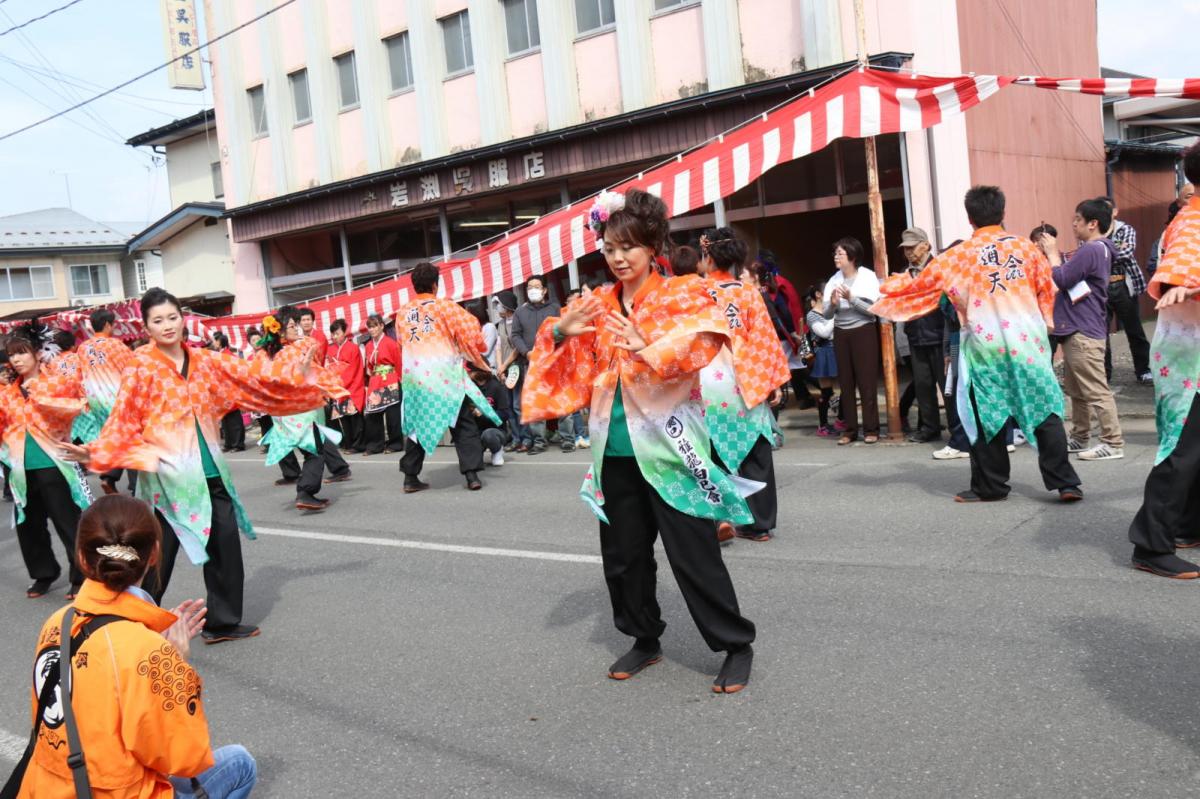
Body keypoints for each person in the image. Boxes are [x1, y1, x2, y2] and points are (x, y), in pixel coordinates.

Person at [523, 188, 756, 694]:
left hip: (672, 448)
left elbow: (706, 342)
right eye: (608, 248)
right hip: (616, 449)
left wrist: (651, 346)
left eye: (627, 246)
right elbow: (571, 372)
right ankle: (644, 635)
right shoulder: (595, 305)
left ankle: (736, 645)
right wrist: (560, 333)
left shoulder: (682, 293)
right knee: (624, 557)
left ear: (653, 246)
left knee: (693, 553)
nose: (618, 257)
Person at [60, 287, 330, 644]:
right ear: (147, 327)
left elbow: (255, 377)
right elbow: (124, 417)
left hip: (210, 469)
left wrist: (300, 358)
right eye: (158, 320)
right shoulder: (141, 365)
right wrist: (94, 450)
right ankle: (131, 624)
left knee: (224, 544)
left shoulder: (206, 360)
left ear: (182, 318)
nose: (168, 325)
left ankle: (222, 621)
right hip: (167, 476)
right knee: (154, 555)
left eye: (172, 317)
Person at [10, 494, 256, 798]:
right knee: (241, 763)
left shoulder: (58, 622)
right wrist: (173, 665)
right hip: (118, 792)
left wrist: (155, 646)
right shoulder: (147, 651)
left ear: (83, 558)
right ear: (154, 553)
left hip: (48, 787)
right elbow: (184, 757)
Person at [872, 185, 1083, 503]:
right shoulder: (1026, 249)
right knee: (1043, 410)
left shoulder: (956, 257)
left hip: (984, 348)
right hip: (1028, 344)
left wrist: (887, 284)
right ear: (1003, 213)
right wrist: (1046, 326)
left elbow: (917, 286)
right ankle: (1066, 483)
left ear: (970, 218)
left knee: (987, 413)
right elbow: (1047, 291)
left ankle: (991, 485)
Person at [1128, 142, 1200, 579]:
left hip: (1189, 348)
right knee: (1181, 450)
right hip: (1187, 356)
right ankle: (1151, 545)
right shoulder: (1193, 218)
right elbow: (1179, 266)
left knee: (1196, 447)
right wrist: (1182, 285)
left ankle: (1187, 527)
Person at [695, 228, 789, 542]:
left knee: (711, 452)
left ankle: (719, 517)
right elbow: (764, 340)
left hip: (706, 382)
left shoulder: (696, 293)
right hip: (745, 380)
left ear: (708, 256)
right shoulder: (747, 292)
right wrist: (773, 381)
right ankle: (760, 523)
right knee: (754, 451)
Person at [0, 324, 89, 600]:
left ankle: (81, 574)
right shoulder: (6, 393)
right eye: (12, 354)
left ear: (38, 353)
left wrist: (37, 395)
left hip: (53, 461)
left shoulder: (55, 381)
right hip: (20, 466)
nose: (16, 359)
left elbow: (75, 404)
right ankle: (43, 572)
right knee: (29, 525)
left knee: (67, 520)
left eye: (22, 352)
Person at [396, 262, 501, 492]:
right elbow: (472, 331)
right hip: (445, 376)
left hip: (417, 379)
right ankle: (471, 475)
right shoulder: (446, 308)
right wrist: (473, 348)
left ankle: (410, 478)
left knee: (419, 426)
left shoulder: (403, 313)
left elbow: (401, 344)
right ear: (435, 285)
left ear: (414, 285)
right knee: (463, 424)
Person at [1040, 199, 1125, 461]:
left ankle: (1112, 442)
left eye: (1078, 219)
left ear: (1093, 223)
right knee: (1077, 390)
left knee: (1095, 389)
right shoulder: (1100, 250)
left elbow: (1062, 278)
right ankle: (1079, 437)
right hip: (1082, 327)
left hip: (1082, 329)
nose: (1073, 224)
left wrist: (1052, 253)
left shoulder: (1091, 249)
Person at [258, 307, 352, 510]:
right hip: (300, 411)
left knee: (313, 448)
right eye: (291, 326)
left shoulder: (266, 355)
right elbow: (309, 377)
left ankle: (307, 488)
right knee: (315, 451)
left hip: (282, 414)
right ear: (280, 331)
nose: (296, 329)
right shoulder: (291, 352)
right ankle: (305, 492)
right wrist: (331, 384)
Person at [821, 236, 881, 444]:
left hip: (863, 331)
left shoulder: (867, 277)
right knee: (845, 383)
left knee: (866, 381)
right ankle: (850, 430)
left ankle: (872, 429)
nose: (836, 256)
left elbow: (873, 310)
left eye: (840, 253)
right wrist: (833, 304)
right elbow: (827, 315)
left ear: (852, 256)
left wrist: (852, 299)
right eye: (835, 253)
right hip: (841, 333)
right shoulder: (834, 280)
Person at [897, 228, 947, 443]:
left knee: (948, 387)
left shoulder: (940, 269)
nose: (909, 252)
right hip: (916, 336)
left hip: (939, 335)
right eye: (905, 248)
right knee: (923, 386)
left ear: (926, 245)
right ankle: (929, 429)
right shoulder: (904, 274)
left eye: (912, 247)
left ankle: (958, 429)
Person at [1096, 197, 1151, 383]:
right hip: (1100, 287)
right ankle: (1104, 374)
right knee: (1101, 332)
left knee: (1134, 329)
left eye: (1107, 208)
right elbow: (1089, 256)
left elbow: (1127, 253)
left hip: (1123, 285)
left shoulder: (1125, 229)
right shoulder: (1092, 229)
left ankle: (1144, 370)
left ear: (1115, 211)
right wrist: (1116, 248)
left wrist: (1101, 251)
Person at [510, 276, 560, 454]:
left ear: (545, 290)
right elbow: (515, 335)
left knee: (558, 397)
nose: (532, 290)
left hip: (553, 361)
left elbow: (563, 331)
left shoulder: (555, 308)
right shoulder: (520, 312)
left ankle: (566, 437)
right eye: (529, 287)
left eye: (536, 287)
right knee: (535, 401)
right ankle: (539, 441)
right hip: (530, 363)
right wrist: (526, 352)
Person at [361, 313, 404, 455]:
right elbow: (369, 365)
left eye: (374, 326)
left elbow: (398, 362)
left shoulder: (391, 343)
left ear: (381, 326)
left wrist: (400, 380)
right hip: (375, 380)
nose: (372, 330)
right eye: (370, 327)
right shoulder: (367, 346)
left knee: (393, 415)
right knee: (373, 415)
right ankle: (375, 445)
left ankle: (395, 444)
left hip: (390, 378)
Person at [804, 286, 839, 436]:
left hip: (837, 349)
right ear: (819, 295)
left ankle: (842, 419)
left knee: (848, 385)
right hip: (824, 352)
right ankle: (823, 425)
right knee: (826, 391)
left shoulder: (831, 310)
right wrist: (835, 316)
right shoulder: (812, 315)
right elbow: (824, 333)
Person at [326, 318, 365, 453]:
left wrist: (340, 383)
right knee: (344, 417)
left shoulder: (352, 348)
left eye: (337, 333)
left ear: (344, 333)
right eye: (333, 334)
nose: (335, 336)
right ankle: (348, 443)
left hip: (352, 387)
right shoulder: (331, 350)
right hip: (339, 388)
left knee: (354, 418)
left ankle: (358, 444)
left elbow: (353, 369)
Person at [492, 290, 524, 450]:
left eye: (499, 304)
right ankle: (516, 438)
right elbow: (498, 347)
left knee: (518, 405)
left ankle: (526, 439)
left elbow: (517, 348)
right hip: (504, 369)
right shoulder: (500, 324)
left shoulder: (518, 321)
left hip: (516, 367)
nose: (497, 308)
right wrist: (500, 367)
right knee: (509, 406)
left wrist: (504, 366)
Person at [210, 333, 248, 454]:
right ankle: (229, 443)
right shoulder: (220, 354)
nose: (213, 343)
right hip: (221, 391)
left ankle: (238, 443)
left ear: (219, 341)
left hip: (230, 390)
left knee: (234, 419)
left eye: (214, 341)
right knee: (225, 419)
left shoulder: (228, 355)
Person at [467, 364, 511, 467]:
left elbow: (505, 414)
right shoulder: (471, 388)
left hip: (496, 430)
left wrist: (483, 414)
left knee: (488, 434)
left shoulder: (496, 387)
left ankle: (497, 450)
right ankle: (477, 452)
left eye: (469, 371)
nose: (467, 374)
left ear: (478, 371)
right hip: (477, 429)